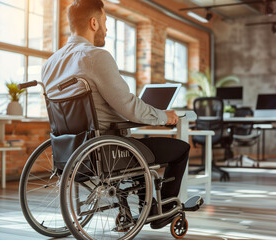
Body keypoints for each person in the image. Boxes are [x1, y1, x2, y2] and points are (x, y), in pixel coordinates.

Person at [41, 0, 190, 229]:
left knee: (138, 149)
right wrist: (163, 117)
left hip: (69, 151)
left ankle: (146, 207)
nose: (107, 29)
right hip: (105, 151)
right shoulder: (95, 56)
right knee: (180, 149)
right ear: (94, 23)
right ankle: (163, 211)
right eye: (105, 22)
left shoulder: (50, 64)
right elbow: (128, 106)